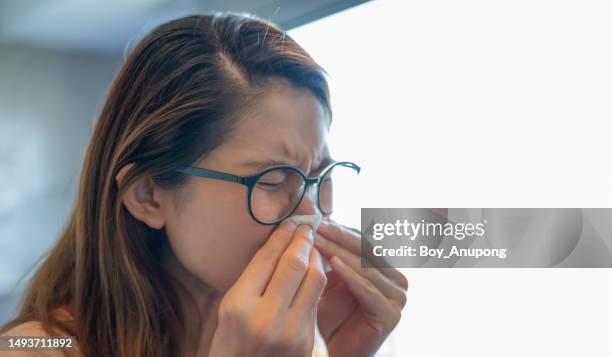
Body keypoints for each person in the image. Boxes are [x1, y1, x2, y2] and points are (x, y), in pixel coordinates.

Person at [0, 12, 408, 357]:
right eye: (272, 180)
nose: (311, 213)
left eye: (321, 176)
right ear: (148, 196)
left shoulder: (285, 340)